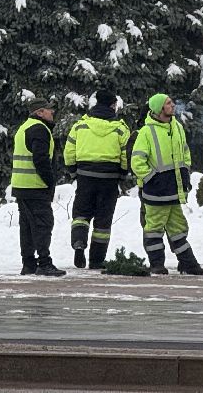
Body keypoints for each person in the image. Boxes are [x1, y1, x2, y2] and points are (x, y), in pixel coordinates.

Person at [130, 93, 203, 275]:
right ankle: (157, 265)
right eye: (168, 103)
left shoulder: (178, 127)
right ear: (159, 109)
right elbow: (137, 162)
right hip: (156, 192)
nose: (172, 105)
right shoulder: (146, 132)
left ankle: (188, 264)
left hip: (174, 190)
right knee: (154, 230)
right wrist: (152, 178)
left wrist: (185, 173)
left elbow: (185, 153)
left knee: (179, 228)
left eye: (171, 102)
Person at [63, 88, 131, 269]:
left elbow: (69, 151)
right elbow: (126, 155)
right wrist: (123, 174)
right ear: (113, 105)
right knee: (103, 220)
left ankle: (79, 243)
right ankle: (97, 260)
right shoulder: (120, 129)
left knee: (81, 215)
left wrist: (73, 171)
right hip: (109, 178)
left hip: (85, 176)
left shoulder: (80, 125)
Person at [11, 97, 65, 276]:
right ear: (39, 112)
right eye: (49, 109)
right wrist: (50, 182)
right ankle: (44, 262)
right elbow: (41, 160)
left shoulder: (24, 127)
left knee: (27, 227)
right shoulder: (40, 130)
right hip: (35, 186)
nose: (52, 112)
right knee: (43, 224)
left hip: (21, 186)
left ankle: (28, 263)